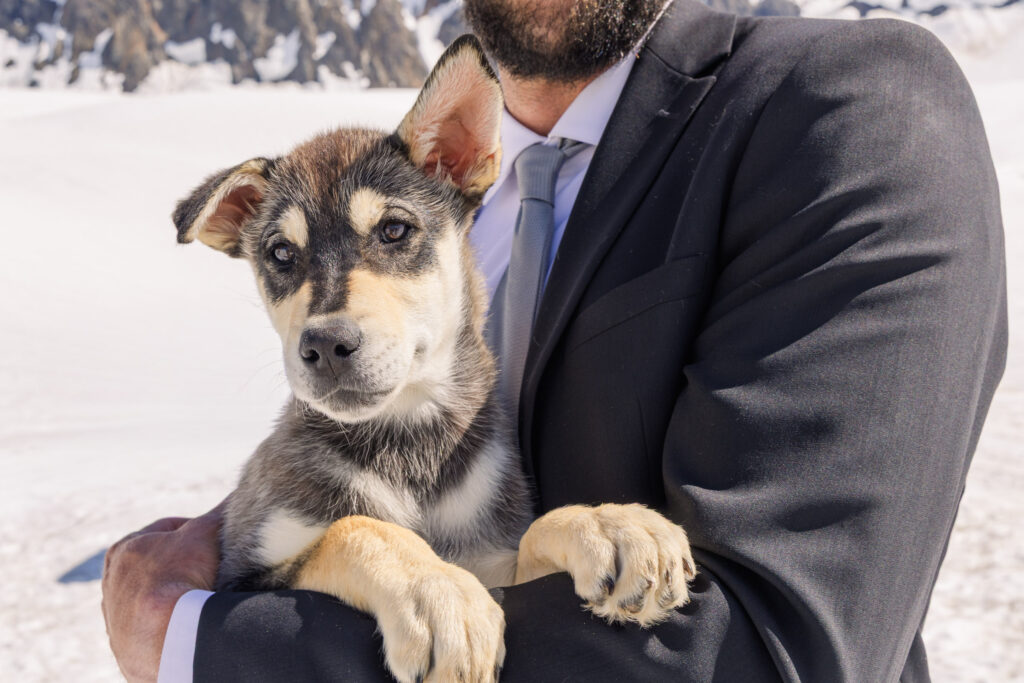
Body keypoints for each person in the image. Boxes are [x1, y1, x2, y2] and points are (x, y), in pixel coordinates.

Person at [101, 0, 1007, 680]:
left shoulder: (849, 103)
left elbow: (772, 649)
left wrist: (190, 637)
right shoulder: (429, 185)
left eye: (390, 241)